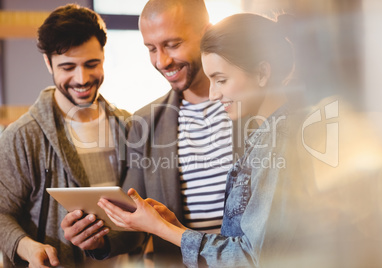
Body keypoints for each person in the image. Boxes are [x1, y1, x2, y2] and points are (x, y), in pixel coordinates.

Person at [98, 13, 300, 267]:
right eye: (151, 49)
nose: (214, 94)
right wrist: (171, 226)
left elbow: (251, 257)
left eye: (221, 80)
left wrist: (164, 230)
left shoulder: (278, 139)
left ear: (262, 73)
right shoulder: (146, 123)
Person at [62, 0, 243, 266]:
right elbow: (133, 215)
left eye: (173, 44)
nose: (162, 61)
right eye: (151, 48)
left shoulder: (250, 108)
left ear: (206, 33)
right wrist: (98, 239)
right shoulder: (145, 124)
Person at [0, 4, 145, 267]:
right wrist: (27, 247)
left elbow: (140, 215)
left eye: (92, 64)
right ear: (48, 62)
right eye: (68, 67)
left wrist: (102, 243)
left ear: (104, 55)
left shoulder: (129, 126)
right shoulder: (23, 136)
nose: (82, 79)